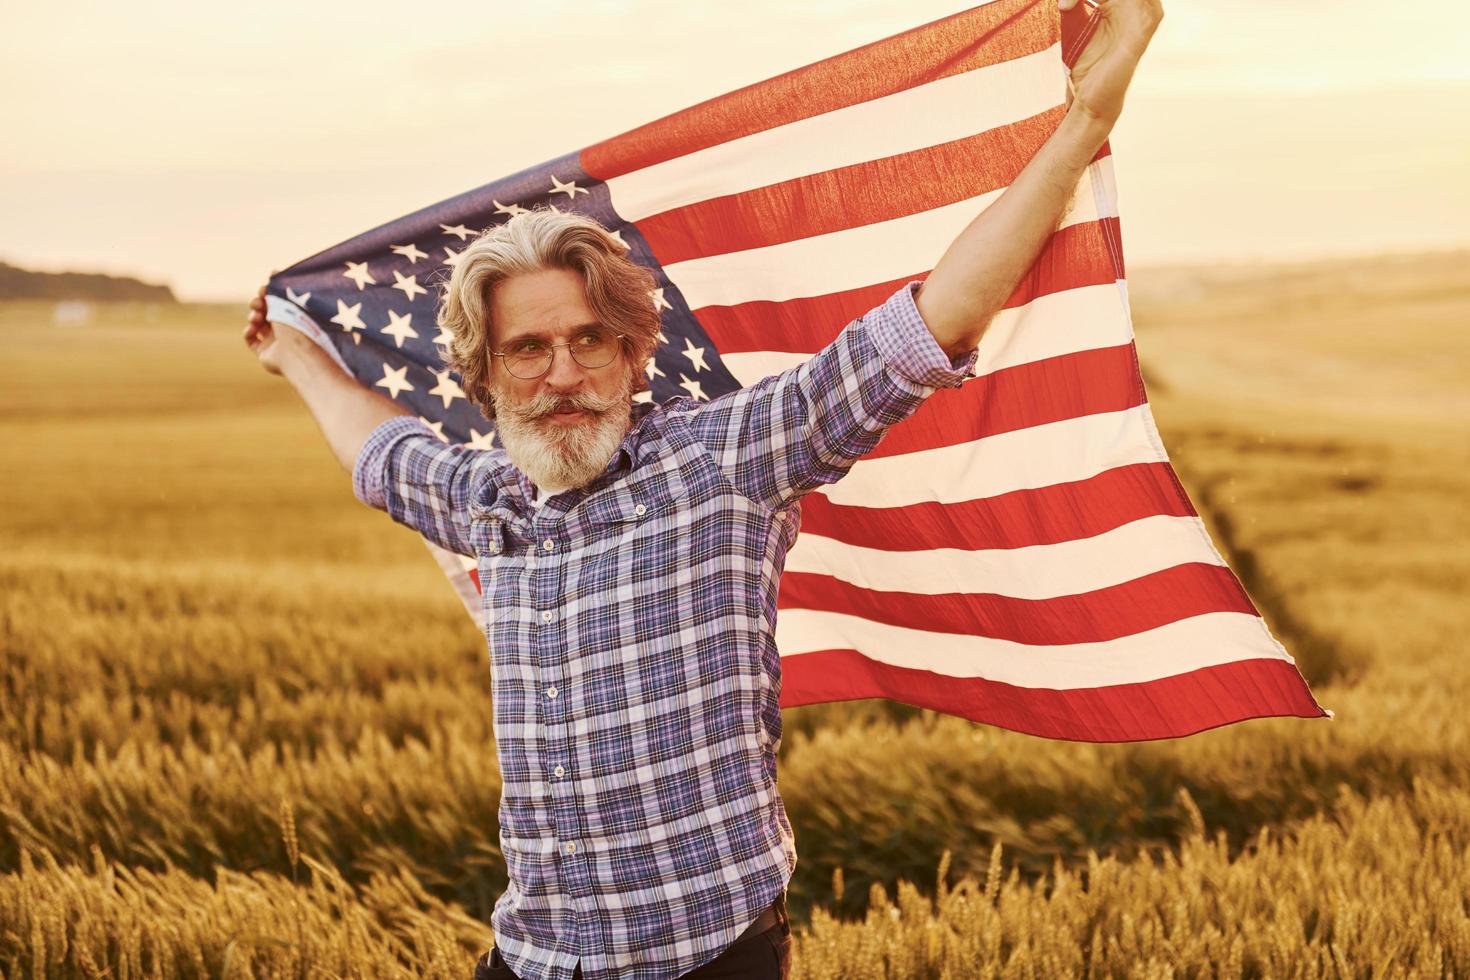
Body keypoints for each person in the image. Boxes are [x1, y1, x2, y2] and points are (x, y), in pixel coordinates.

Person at [244, 2, 1161, 976]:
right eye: (529, 349)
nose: (563, 374)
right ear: (485, 378)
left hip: (705, 956)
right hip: (533, 956)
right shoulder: (486, 500)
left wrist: (1080, 128)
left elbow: (927, 327)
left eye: (589, 338)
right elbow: (381, 452)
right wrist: (294, 352)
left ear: (635, 352)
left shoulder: (725, 460)